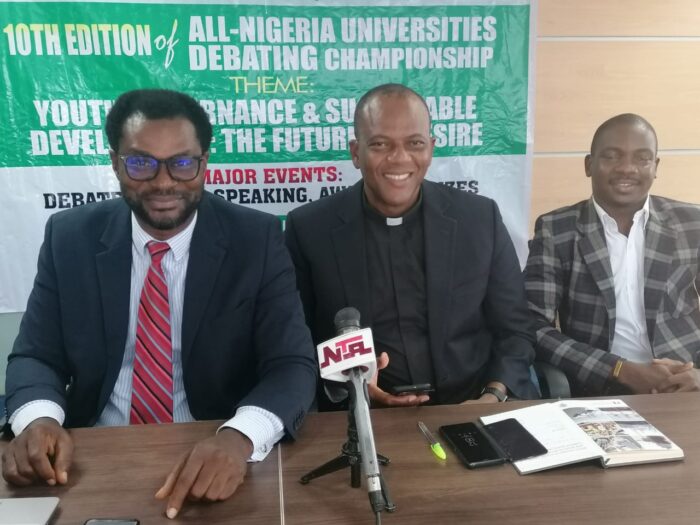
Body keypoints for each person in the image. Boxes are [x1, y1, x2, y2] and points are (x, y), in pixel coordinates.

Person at [2, 89, 316, 518]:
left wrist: (240, 438)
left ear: (205, 163)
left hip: (214, 446)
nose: (164, 181)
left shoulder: (255, 240)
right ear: (115, 162)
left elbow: (291, 364)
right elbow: (36, 355)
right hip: (92, 455)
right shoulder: (69, 238)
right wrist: (39, 421)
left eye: (183, 163)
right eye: (141, 162)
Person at [285, 83, 537, 409]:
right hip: (361, 415)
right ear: (355, 152)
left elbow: (516, 332)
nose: (399, 158)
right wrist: (353, 386)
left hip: (470, 405)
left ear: (430, 148)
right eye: (379, 144)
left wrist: (493, 395)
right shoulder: (309, 229)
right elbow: (295, 343)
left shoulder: (479, 219)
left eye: (414, 143)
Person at [524, 113, 700, 396]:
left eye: (642, 158)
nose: (627, 168)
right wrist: (619, 369)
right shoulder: (557, 230)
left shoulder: (692, 223)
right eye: (611, 156)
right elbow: (532, 325)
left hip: (684, 385)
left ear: (655, 167)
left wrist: (697, 375)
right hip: (602, 388)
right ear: (588, 165)